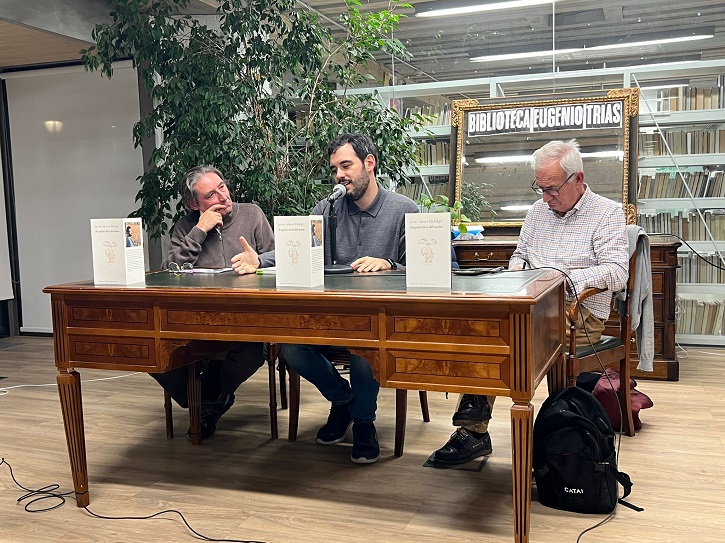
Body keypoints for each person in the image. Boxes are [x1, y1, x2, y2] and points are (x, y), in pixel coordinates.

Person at [432, 138, 629, 466]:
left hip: (576, 313)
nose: (546, 197)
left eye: (552, 189)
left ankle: (547, 439)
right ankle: (475, 428)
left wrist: (560, 283)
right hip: (528, 308)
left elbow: (617, 272)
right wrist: (517, 270)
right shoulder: (537, 211)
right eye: (540, 188)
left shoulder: (607, 213)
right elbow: (520, 254)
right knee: (487, 332)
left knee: (512, 343)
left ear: (577, 179)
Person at [231, 133, 419, 464]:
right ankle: (343, 399)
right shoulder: (327, 209)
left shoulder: (404, 209)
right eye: (334, 169)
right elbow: (299, 247)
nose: (339, 176)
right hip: (330, 318)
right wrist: (261, 260)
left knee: (365, 350)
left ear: (369, 164)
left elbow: (427, 267)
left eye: (346, 166)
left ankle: (363, 422)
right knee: (291, 348)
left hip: (378, 322)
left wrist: (390, 264)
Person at [154, 165, 275, 440]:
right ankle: (212, 399)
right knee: (153, 353)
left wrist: (258, 262)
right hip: (196, 321)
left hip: (247, 319)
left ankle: (207, 398)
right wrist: (199, 231)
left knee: (253, 352)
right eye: (211, 194)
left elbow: (279, 256)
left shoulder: (252, 214)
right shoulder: (186, 226)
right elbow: (168, 271)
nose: (222, 196)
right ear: (193, 204)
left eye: (222, 187)